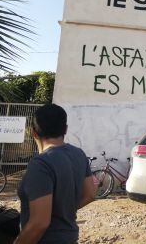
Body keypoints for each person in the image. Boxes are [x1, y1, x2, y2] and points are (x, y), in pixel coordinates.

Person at [14, 104, 96, 244]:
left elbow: (39, 224)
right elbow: (90, 194)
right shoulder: (78, 154)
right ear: (65, 129)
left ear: (33, 132)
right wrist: (63, 210)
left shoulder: (40, 164)